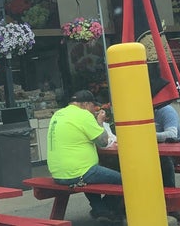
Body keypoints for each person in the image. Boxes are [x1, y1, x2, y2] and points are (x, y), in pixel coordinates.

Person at [46, 90, 123, 223]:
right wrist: (100, 122)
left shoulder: (58, 114)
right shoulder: (83, 115)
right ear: (86, 104)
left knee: (92, 173)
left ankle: (100, 210)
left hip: (58, 173)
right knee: (126, 180)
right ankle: (110, 210)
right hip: (78, 172)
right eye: (94, 107)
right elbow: (103, 142)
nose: (94, 110)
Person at [154, 104, 180, 222]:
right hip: (151, 152)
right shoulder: (139, 111)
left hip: (173, 153)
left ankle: (172, 206)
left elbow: (172, 134)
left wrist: (145, 133)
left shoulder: (166, 110)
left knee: (164, 159)